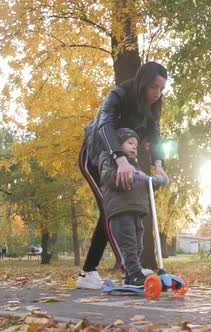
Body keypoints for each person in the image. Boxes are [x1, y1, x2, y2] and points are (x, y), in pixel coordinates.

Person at [76, 61, 169, 289]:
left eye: (162, 89)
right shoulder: (119, 95)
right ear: (143, 82)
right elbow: (104, 125)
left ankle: (88, 272)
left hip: (122, 160)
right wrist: (119, 158)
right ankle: (130, 270)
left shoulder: (151, 106)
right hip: (97, 157)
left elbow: (155, 135)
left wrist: (159, 165)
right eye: (154, 87)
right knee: (111, 209)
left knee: (111, 211)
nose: (157, 94)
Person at [98, 128, 150, 287]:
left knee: (138, 244)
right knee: (128, 243)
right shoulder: (109, 159)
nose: (134, 147)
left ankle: (130, 274)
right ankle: (134, 274)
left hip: (136, 210)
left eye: (136, 144)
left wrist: (154, 181)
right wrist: (128, 175)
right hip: (121, 209)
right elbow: (108, 178)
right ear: (118, 144)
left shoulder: (135, 163)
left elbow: (142, 184)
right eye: (130, 143)